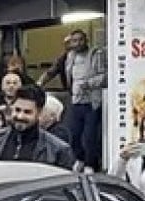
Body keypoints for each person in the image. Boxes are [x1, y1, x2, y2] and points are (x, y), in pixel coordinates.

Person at [40, 29, 107, 172]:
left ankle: (91, 164)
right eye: (74, 41)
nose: (77, 43)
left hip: (92, 102)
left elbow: (105, 77)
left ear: (86, 40)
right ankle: (80, 159)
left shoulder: (96, 54)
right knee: (74, 134)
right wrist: (39, 84)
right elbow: (53, 71)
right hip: (76, 101)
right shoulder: (69, 57)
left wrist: (89, 84)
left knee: (90, 136)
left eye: (80, 40)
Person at [0, 84, 75, 170]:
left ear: (39, 113)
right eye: (17, 110)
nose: (20, 116)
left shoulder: (58, 150)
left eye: (27, 112)